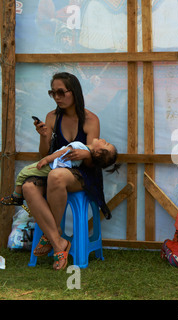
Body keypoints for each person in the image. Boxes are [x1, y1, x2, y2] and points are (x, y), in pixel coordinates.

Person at [21, 72, 111, 271]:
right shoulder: (52, 117)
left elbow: (94, 158)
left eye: (61, 92)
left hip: (83, 174)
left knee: (56, 176)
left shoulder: (90, 119)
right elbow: (44, 154)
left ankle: (53, 233)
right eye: (53, 93)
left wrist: (84, 154)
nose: (57, 97)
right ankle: (58, 240)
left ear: (75, 92)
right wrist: (44, 137)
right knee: (28, 187)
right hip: (56, 168)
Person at [1, 138, 119, 206]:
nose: (103, 139)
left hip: (52, 166)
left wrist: (46, 159)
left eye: (106, 144)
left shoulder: (80, 146)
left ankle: (16, 196)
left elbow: (62, 153)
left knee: (24, 172)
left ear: (98, 153)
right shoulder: (83, 153)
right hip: (60, 170)